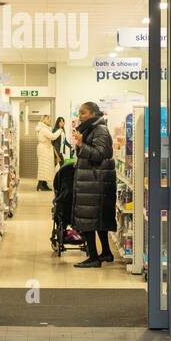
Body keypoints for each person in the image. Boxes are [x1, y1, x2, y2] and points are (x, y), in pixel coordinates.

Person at [71, 101, 117, 267]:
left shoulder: (100, 130)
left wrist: (82, 142)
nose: (80, 116)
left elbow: (99, 154)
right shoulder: (92, 128)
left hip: (95, 182)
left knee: (88, 219)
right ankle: (105, 252)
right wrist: (80, 144)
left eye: (83, 113)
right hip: (91, 181)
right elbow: (87, 153)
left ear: (92, 114)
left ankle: (94, 258)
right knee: (98, 220)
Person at [35, 115, 60, 191]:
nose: (50, 121)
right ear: (45, 120)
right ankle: (41, 184)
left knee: (45, 167)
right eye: (49, 120)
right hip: (45, 149)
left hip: (44, 148)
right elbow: (52, 137)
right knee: (44, 166)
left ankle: (43, 184)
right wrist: (59, 131)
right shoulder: (44, 129)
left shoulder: (42, 128)